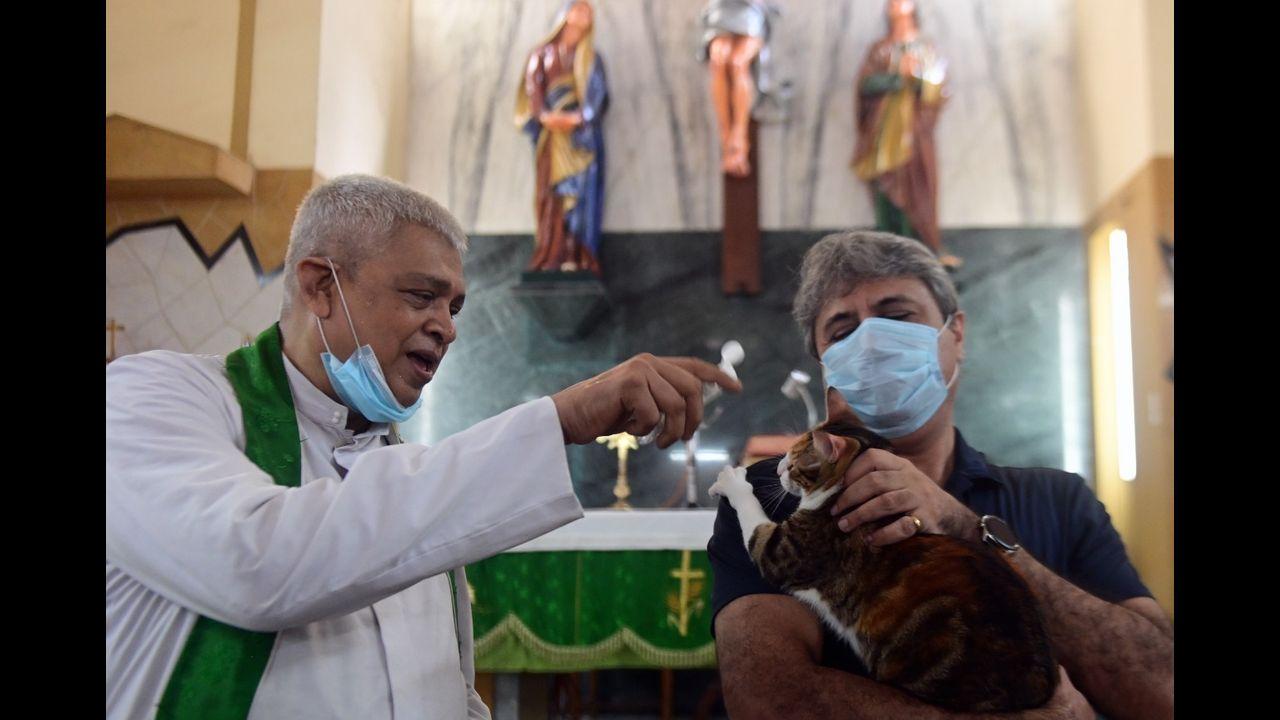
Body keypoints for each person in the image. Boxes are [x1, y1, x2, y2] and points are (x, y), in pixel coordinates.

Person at [106, 174, 739, 720]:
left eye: (456, 305)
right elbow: (255, 564)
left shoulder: (400, 470)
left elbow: (446, 682)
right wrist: (558, 421)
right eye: (422, 295)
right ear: (320, 286)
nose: (447, 326)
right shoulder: (152, 397)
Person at [708, 231, 1173, 719]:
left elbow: (1159, 687)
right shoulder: (769, 498)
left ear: (956, 334)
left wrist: (963, 526)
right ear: (825, 367)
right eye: (842, 330)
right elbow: (766, 700)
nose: (870, 343)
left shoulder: (1058, 499)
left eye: (897, 315)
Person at [851, 0, 961, 269]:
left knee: (917, 187)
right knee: (886, 186)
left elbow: (939, 88)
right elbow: (865, 85)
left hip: (915, 134)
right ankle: (888, 247)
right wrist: (897, 78)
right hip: (883, 132)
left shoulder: (926, 48)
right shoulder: (880, 50)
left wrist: (918, 78)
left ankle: (923, 247)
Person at [515, 0, 608, 275]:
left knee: (581, 197)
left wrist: (578, 118)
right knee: (552, 196)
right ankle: (551, 254)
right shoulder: (542, 55)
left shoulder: (592, 58)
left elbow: (597, 98)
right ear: (565, 14)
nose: (586, 14)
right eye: (580, 8)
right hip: (552, 139)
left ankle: (577, 255)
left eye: (589, 11)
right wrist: (545, 117)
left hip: (582, 140)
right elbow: (534, 91)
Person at [698, 0, 787, 177]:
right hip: (721, 10)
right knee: (718, 60)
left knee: (738, 63)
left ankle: (739, 136)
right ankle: (727, 141)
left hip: (750, 10)